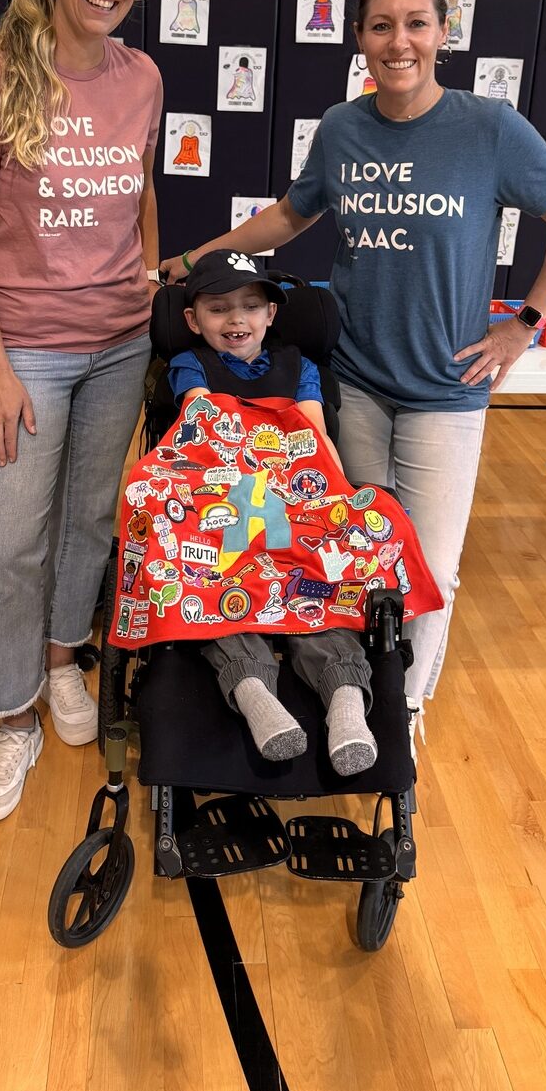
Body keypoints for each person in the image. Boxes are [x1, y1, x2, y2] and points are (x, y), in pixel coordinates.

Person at [163, 0, 546, 754]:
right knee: (354, 552)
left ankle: (404, 719)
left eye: (415, 23)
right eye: (379, 25)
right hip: (355, 381)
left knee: (427, 569)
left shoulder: (489, 129)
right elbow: (291, 216)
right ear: (357, 36)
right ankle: (350, 697)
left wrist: (525, 322)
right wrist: (195, 259)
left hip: (446, 388)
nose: (398, 42)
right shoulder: (341, 128)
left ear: (442, 29)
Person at [0, 0, 163, 822]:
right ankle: (8, 717)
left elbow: (140, 188)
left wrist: (150, 274)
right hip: (25, 348)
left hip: (118, 342)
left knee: (88, 524)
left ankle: (64, 665)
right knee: (11, 542)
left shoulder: (140, 77)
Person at [169, 250, 378, 776]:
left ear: (270, 315)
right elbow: (206, 422)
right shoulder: (191, 364)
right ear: (193, 320)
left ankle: (346, 702)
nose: (236, 319)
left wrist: (341, 497)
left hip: (294, 494)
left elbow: (315, 432)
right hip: (221, 493)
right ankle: (254, 691)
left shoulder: (299, 367)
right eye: (219, 309)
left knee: (317, 579)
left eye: (250, 306)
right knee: (211, 578)